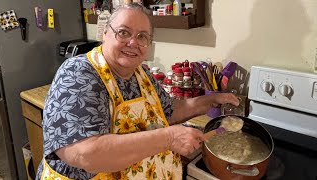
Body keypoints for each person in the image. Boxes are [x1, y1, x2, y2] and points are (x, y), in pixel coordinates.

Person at [36, 3, 239, 180]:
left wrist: (209, 101)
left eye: (142, 36)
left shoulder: (140, 72)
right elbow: (84, 153)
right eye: (123, 32)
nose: (133, 42)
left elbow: (167, 110)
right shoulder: (79, 73)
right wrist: (169, 138)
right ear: (105, 33)